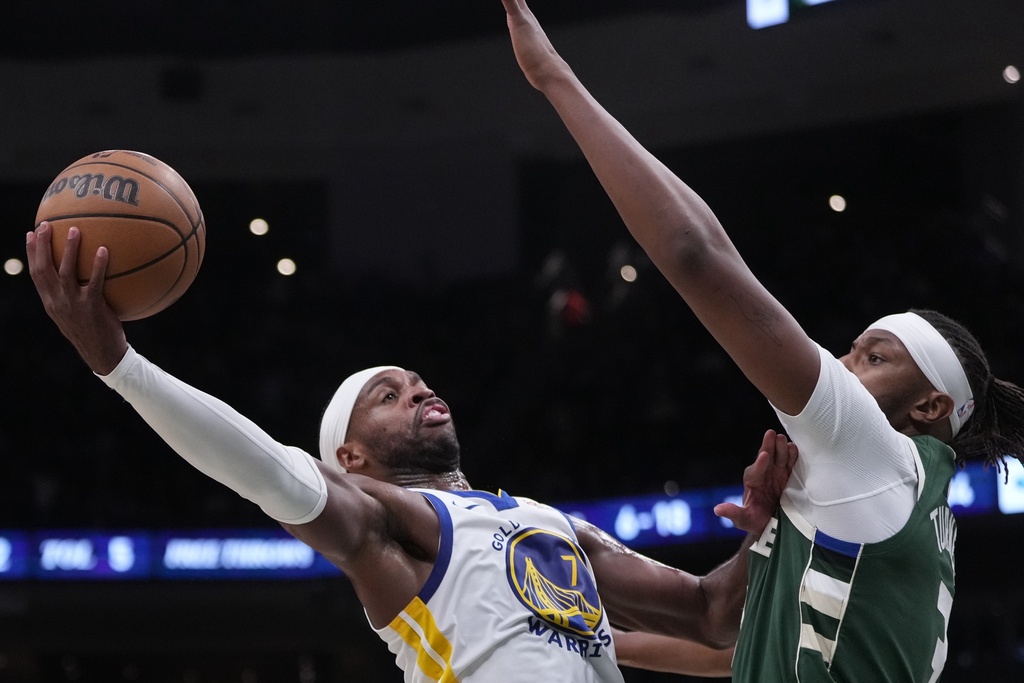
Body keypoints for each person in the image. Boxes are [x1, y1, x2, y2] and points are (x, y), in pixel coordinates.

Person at [499, 1, 1024, 681]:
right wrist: (582, 641)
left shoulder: (876, 449)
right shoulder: (901, 502)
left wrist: (554, 77)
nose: (841, 363)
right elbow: (725, 642)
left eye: (874, 356)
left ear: (926, 406)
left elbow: (696, 252)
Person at [26, 221, 795, 682]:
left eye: (419, 381)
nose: (419, 391)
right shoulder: (387, 523)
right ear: (349, 459)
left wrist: (770, 520)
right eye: (387, 395)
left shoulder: (547, 521)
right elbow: (263, 466)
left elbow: (711, 612)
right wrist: (122, 367)